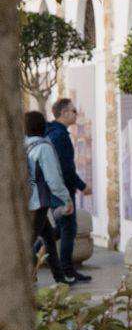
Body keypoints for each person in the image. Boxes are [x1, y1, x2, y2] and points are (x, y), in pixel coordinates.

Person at [24, 110, 76, 285]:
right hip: (37, 202)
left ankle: (60, 277)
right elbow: (53, 180)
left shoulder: (22, 146)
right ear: (44, 127)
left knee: (49, 238)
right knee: (27, 242)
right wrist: (66, 198)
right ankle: (28, 280)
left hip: (25, 201)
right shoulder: (43, 147)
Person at [45, 97, 90, 282]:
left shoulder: (54, 133)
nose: (76, 114)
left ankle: (33, 255)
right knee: (68, 228)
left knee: (59, 228)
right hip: (62, 190)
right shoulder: (60, 136)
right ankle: (66, 270)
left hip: (56, 188)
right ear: (64, 113)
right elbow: (66, 168)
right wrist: (82, 186)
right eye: (73, 111)